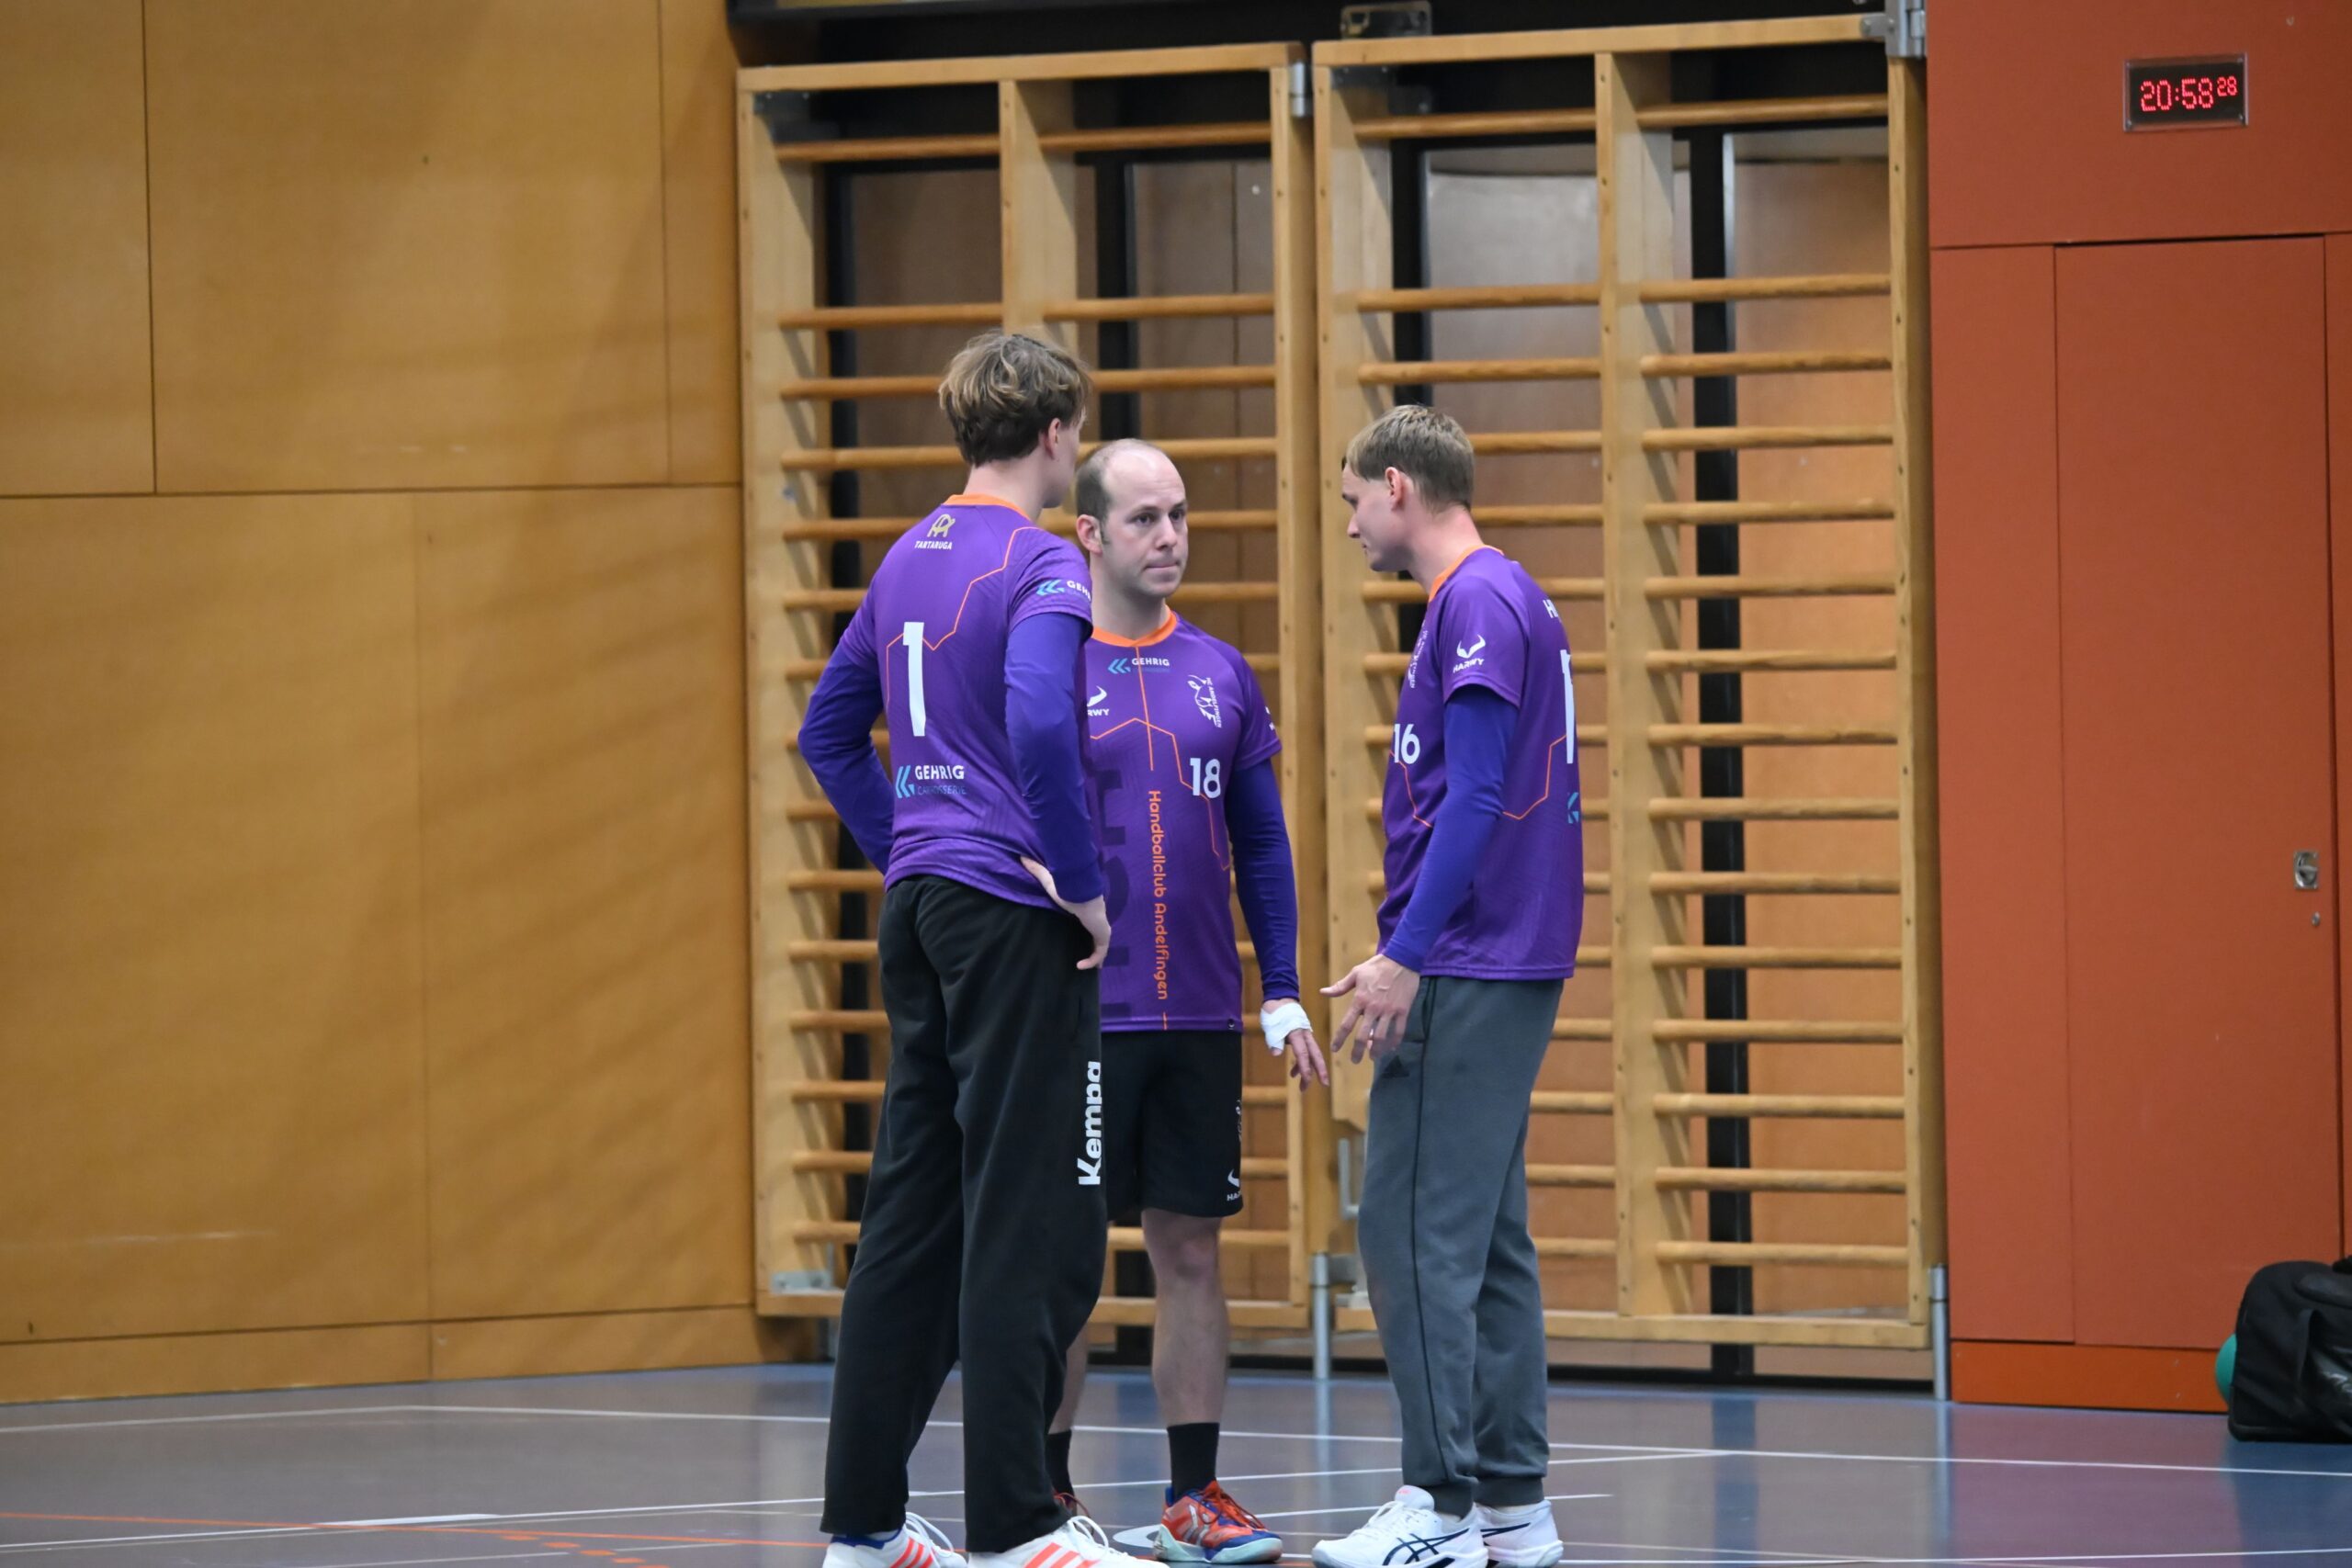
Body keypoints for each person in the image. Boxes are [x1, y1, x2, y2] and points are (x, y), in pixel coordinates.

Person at [798, 331, 1121, 1568]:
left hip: (925, 910)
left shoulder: (905, 559)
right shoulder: (1043, 561)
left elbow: (830, 735)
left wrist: (913, 844)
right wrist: (1080, 888)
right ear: (1053, 436)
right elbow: (1042, 714)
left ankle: (867, 1526)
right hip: (1006, 918)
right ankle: (1014, 1529)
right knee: (1021, 1212)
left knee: (911, 1215)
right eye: (1076, 435)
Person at [1046, 440, 1329, 1563]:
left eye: (1179, 516)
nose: (1169, 537)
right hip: (1083, 1022)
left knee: (1192, 1250)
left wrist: (1285, 992)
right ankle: (1046, 1499)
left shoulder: (1220, 670)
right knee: (1066, 1255)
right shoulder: (1048, 669)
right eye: (1144, 519)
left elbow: (1259, 842)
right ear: (1091, 535)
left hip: (1201, 1016)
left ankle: (1192, 1496)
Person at [1312, 405, 1582, 1568]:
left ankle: (1439, 1505)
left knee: (1412, 1232)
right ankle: (1514, 1508)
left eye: (1352, 502)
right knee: (1491, 1241)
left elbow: (1473, 797)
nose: (1352, 525)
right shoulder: (1509, 594)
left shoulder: (1471, 601)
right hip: (1503, 956)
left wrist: (1404, 956)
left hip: (1468, 957)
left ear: (1398, 491)